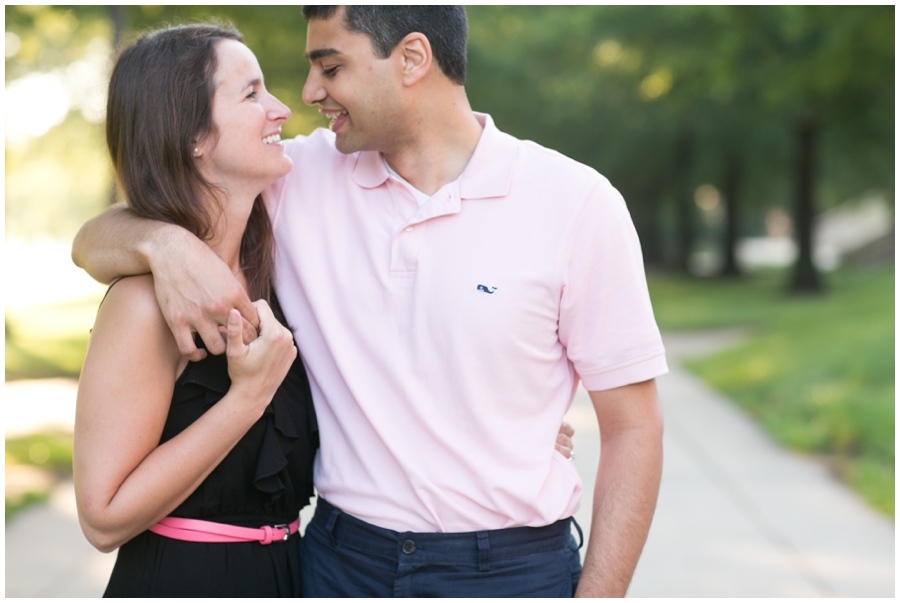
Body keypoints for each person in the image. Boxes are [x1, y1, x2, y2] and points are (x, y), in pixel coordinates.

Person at [73, 6, 666, 597]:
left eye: (331, 67)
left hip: (512, 571)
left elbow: (634, 429)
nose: (308, 93)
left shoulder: (575, 204)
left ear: (411, 59)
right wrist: (163, 244)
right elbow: (105, 232)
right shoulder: (296, 177)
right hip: (339, 565)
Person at [72, 24, 319, 597]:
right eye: (252, 94)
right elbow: (102, 517)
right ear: (193, 138)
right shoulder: (141, 304)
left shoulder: (274, 273)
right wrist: (248, 397)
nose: (282, 108)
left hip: (285, 575)